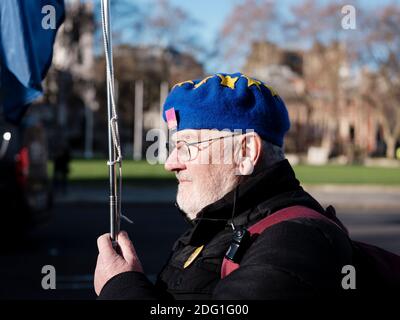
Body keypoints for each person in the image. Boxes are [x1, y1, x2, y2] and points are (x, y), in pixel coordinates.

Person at [94, 72, 354, 299]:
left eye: (186, 147)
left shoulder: (294, 243)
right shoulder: (219, 225)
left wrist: (120, 287)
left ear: (245, 152)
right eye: (173, 147)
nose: (170, 163)